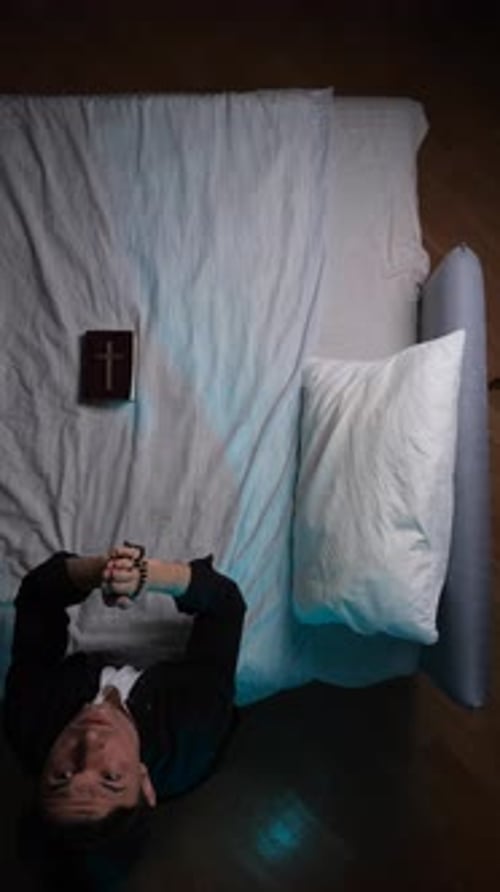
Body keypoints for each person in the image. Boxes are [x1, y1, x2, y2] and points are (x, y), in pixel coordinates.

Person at [3, 544, 246, 887]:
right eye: (111, 777)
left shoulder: (27, 720)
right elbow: (226, 605)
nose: (90, 740)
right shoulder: (194, 729)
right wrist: (151, 574)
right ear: (145, 784)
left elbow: (37, 597)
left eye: (61, 775)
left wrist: (104, 571)